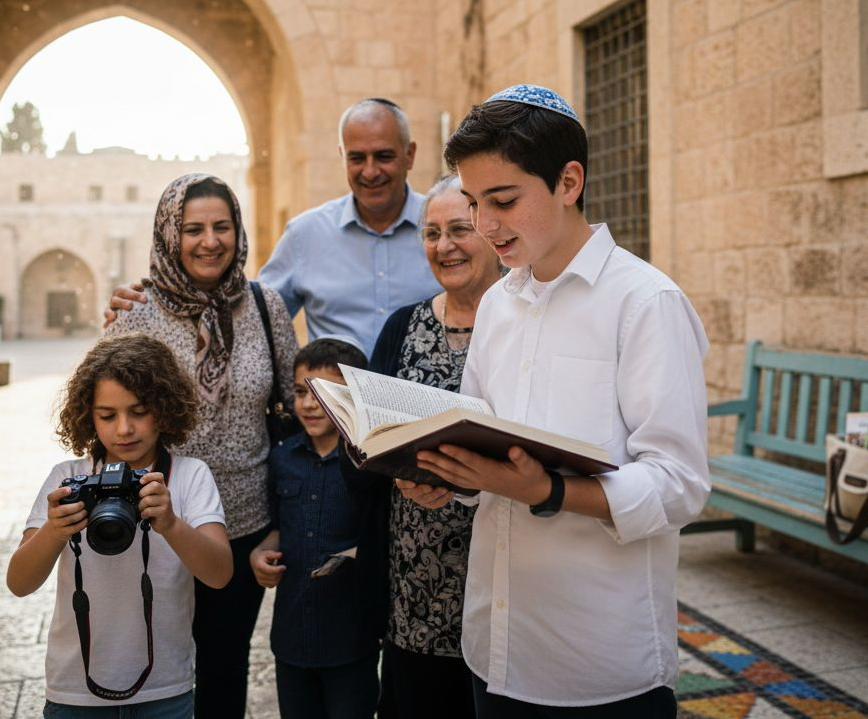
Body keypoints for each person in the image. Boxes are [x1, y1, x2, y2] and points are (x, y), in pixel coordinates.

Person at [399, 85, 710, 718]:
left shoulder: (644, 304)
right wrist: (449, 478)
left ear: (569, 181)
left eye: (504, 201)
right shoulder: (498, 305)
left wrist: (550, 492)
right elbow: (481, 436)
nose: (486, 226)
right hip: (496, 646)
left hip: (598, 659)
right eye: (476, 202)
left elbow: (679, 485)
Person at [106, 174, 298, 719]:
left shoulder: (266, 307)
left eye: (222, 227)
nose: (209, 241)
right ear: (170, 235)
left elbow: (294, 408)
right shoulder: (136, 313)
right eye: (193, 229)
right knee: (155, 672)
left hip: (242, 524)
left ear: (238, 232)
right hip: (157, 524)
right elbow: (103, 418)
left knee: (223, 669)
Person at [7, 333, 234, 717]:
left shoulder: (189, 476)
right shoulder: (68, 478)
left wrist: (171, 524)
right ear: (87, 415)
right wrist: (54, 531)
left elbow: (219, 574)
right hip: (75, 691)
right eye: (107, 415)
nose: (124, 429)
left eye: (139, 411)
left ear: (164, 408)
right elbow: (19, 582)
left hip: (165, 689)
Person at [343, 175, 501, 719]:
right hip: (415, 584)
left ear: (491, 232)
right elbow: (367, 443)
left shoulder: (522, 326)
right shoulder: (401, 327)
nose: (444, 245)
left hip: (502, 572)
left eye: (460, 228)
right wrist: (396, 468)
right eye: (432, 233)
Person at [107, 99, 441, 355]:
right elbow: (246, 311)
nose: (370, 172)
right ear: (342, 156)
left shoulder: (446, 230)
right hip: (336, 434)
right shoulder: (306, 235)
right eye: (357, 158)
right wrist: (152, 301)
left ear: (409, 155)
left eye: (383, 156)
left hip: (428, 427)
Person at [249, 337, 378, 719]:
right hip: (290, 636)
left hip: (351, 640)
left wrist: (353, 556)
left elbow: (382, 535)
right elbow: (277, 527)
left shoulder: (370, 463)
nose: (307, 404)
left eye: (322, 393)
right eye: (300, 391)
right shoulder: (283, 457)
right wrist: (260, 553)